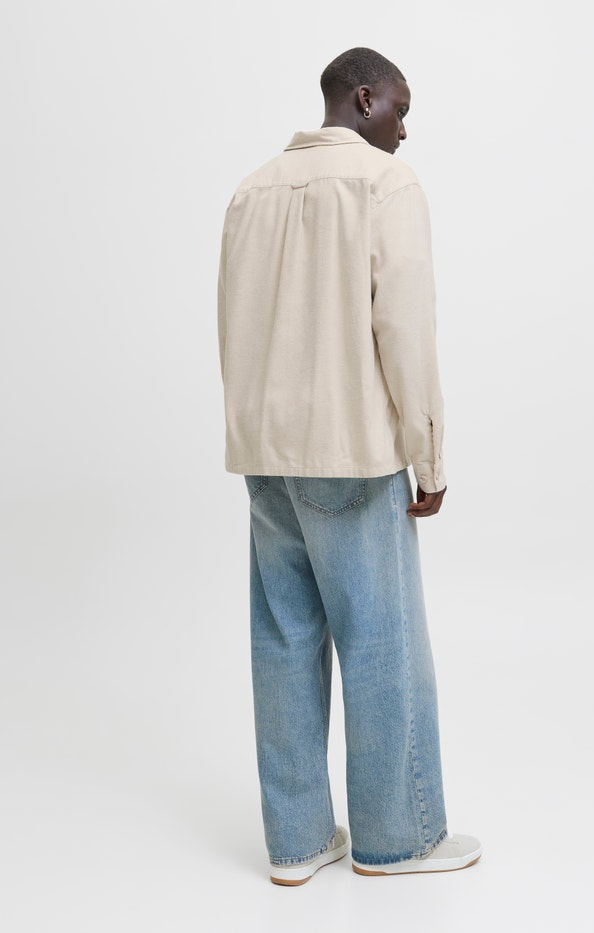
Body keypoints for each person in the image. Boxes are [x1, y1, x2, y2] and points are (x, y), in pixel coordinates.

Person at [217, 47, 481, 885]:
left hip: (266, 458)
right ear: (364, 99)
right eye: (400, 108)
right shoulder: (384, 185)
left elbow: (231, 325)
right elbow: (404, 328)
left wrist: (253, 436)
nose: (405, 128)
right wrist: (427, 453)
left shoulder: (252, 190)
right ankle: (398, 837)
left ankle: (297, 842)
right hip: (354, 456)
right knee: (382, 641)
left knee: (283, 641)